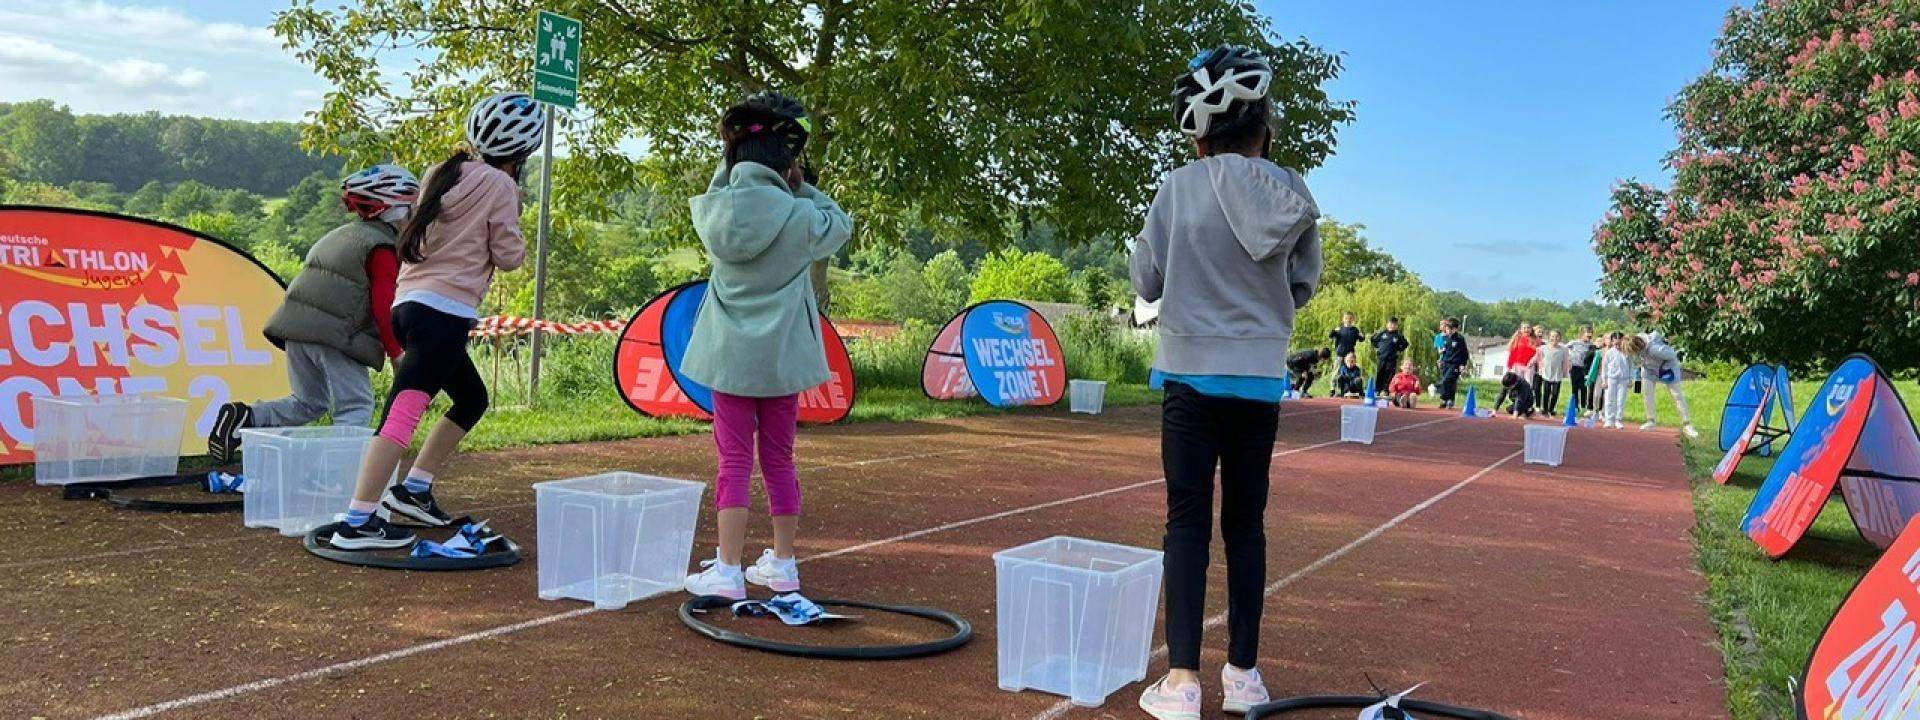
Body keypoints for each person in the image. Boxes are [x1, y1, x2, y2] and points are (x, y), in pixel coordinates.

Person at [1131, 45, 1322, 719]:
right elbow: (1301, 284)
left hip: (1189, 373)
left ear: (1201, 135)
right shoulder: (1293, 192)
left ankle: (1182, 681)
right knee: (1246, 523)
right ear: (1265, 128)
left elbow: (1148, 282)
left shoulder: (1177, 188)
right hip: (1259, 378)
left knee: (1185, 520)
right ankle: (1243, 674)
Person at [326, 91, 543, 550]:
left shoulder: (440, 173)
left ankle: (414, 490)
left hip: (410, 306)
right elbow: (508, 256)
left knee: (471, 398)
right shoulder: (502, 187)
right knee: (401, 418)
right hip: (443, 315)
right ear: (523, 153)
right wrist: (515, 223)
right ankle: (358, 521)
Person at [683, 92, 853, 600]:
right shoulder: (801, 217)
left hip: (729, 360)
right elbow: (840, 225)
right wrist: (805, 191)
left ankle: (729, 569)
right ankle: (782, 563)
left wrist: (731, 159)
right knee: (779, 458)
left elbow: (725, 187)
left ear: (734, 163)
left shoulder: (714, 214)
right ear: (787, 169)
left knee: (733, 460)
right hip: (780, 360)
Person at [205, 165, 417, 464]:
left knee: (309, 402)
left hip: (295, 330)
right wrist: (397, 354)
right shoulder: (382, 247)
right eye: (413, 209)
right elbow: (384, 306)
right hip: (334, 336)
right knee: (356, 406)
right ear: (397, 211)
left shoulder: (341, 235)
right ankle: (336, 475)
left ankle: (245, 417)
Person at [1623, 332, 1701, 438]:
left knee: (1677, 396)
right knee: (1647, 394)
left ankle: (1687, 424)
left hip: (1668, 369)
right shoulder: (1638, 346)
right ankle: (1651, 420)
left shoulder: (1655, 349)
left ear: (1638, 347)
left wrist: (1664, 370)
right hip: (1649, 370)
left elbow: (1672, 356)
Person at [1496, 325, 1538, 413]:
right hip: (1518, 364)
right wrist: (1509, 365)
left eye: (1528, 328)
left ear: (1531, 330)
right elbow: (1512, 353)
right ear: (1521, 329)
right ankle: (1517, 405)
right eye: (1524, 328)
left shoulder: (1535, 340)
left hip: (1529, 366)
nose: (1526, 330)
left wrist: (1534, 364)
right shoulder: (1518, 339)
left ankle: (1527, 406)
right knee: (1514, 384)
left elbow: (1538, 354)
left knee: (1527, 386)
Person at [1532, 330, 1572, 415]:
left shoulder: (1564, 349)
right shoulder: (1543, 348)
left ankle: (1551, 409)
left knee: (1555, 393)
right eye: (1552, 336)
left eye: (1557, 336)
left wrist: (1567, 370)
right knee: (1546, 393)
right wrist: (1530, 363)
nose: (1554, 338)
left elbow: (1566, 361)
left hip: (1557, 374)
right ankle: (1545, 409)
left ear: (1560, 338)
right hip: (1546, 373)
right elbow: (1537, 358)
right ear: (1549, 337)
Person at [1369, 317, 1409, 398]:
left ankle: (1386, 391)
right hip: (1382, 358)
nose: (1392, 326)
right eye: (1390, 324)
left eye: (1394, 324)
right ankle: (1377, 390)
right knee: (1380, 373)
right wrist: (1378, 347)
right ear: (1387, 324)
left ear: (1397, 326)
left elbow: (1405, 344)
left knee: (1389, 375)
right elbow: (1373, 340)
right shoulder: (1382, 333)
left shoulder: (1398, 336)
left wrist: (1399, 349)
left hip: (1392, 359)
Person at [1599, 332, 1632, 429]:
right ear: (1612, 342)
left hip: (1623, 379)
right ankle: (1609, 419)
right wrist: (1604, 380)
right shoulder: (1609, 352)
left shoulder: (1627, 352)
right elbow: (1604, 367)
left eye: (1619, 343)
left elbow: (1631, 366)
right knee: (1609, 399)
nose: (1617, 345)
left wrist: (1630, 379)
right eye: (1615, 343)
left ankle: (1618, 419)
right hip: (1611, 378)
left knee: (1621, 400)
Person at [1436, 317, 1469, 409]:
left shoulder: (1460, 339)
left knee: (1447, 380)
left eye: (1451, 329)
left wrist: (1462, 365)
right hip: (1446, 363)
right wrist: (1441, 360)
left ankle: (1446, 398)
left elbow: (1465, 353)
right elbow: (1444, 351)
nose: (1449, 331)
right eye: (1447, 329)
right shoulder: (1445, 338)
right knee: (1450, 383)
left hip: (1455, 364)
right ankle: (1448, 400)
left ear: (1455, 329)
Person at [1566, 325, 1596, 414]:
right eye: (1587, 332)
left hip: (1585, 369)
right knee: (1574, 387)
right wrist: (1569, 360)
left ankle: (1583, 406)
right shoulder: (1574, 343)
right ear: (1582, 334)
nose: (1589, 335)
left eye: (1591, 333)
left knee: (1584, 388)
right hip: (1575, 367)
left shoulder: (1592, 345)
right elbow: (1564, 349)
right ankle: (1575, 406)